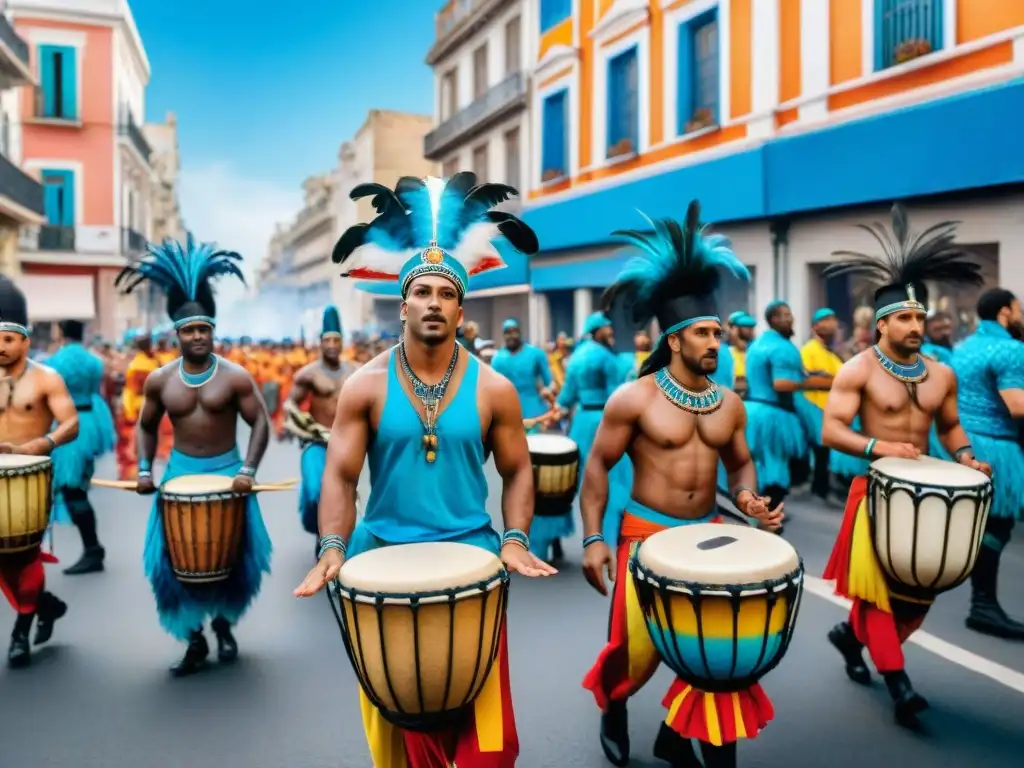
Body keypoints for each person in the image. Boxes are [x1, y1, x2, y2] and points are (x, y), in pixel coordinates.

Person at [297, 172, 555, 768]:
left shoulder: (495, 389)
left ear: (462, 306)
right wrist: (334, 547)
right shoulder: (363, 387)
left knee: (491, 746)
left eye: (445, 292)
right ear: (403, 300)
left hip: (472, 563)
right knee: (407, 740)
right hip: (382, 565)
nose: (433, 301)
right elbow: (339, 475)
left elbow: (518, 471)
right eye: (422, 291)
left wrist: (514, 539)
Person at [580, 203, 782, 768]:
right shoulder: (635, 399)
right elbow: (597, 468)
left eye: (719, 332)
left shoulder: (730, 404)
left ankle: (683, 737)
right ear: (674, 340)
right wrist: (593, 539)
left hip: (709, 539)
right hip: (645, 535)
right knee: (633, 652)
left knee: (716, 655)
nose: (716, 342)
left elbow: (740, 464)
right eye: (703, 333)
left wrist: (746, 499)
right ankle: (614, 706)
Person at [820, 203, 990, 726]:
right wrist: (879, 449)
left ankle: (849, 637)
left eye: (921, 316)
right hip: (873, 494)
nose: (918, 325)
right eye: (906, 318)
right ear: (882, 323)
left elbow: (950, 428)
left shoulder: (941, 373)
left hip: (922, 497)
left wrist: (965, 456)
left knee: (917, 599)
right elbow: (831, 431)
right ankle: (900, 686)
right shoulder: (858, 369)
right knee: (877, 598)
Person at [116, 235, 272, 676]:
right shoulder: (160, 381)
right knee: (171, 564)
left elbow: (259, 421)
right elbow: (146, 425)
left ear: (212, 331)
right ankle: (194, 638)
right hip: (179, 475)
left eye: (204, 328)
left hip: (229, 474)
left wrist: (247, 470)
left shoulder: (236, 377)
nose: (198, 335)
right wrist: (145, 469)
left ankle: (223, 626)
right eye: (190, 330)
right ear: (177, 334)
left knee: (233, 558)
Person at [0, 277, 79, 668]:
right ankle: (47, 605)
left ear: (26, 340)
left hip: (28, 478)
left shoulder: (47, 379)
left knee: (23, 553)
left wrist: (37, 445)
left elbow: (70, 424)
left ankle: (21, 631)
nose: (1, 347)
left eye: (9, 338)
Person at [951, 288, 1024, 639]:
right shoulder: (1012, 349)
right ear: (1006, 313)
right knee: (997, 525)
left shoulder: (962, 348)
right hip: (995, 449)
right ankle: (983, 606)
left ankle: (983, 603)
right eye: (1019, 309)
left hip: (959, 445)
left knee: (970, 526)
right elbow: (1018, 407)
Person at [548, 311, 630, 559]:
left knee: (579, 481)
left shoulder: (576, 358)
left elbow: (566, 397)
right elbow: (618, 396)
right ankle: (612, 536)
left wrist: (556, 413)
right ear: (596, 331)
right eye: (607, 328)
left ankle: (569, 536)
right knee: (614, 478)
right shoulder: (606, 357)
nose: (611, 332)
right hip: (604, 421)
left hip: (581, 422)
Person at [46, 319, 116, 575]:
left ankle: (93, 549)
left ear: (62, 333)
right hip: (90, 421)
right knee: (77, 484)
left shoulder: (54, 362)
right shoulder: (94, 360)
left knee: (71, 488)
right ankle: (92, 549)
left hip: (67, 424)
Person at [285, 305, 354, 543]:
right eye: (328, 340)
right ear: (321, 343)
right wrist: (302, 424)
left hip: (348, 444)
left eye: (337, 340)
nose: (333, 345)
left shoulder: (356, 372)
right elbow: (290, 405)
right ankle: (320, 533)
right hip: (317, 443)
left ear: (342, 342)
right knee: (316, 492)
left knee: (354, 494)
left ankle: (340, 537)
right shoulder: (308, 374)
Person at [742, 300, 812, 508]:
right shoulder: (782, 347)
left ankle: (758, 517)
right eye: (786, 314)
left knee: (759, 469)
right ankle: (769, 519)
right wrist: (826, 383)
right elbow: (782, 384)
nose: (791, 319)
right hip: (773, 416)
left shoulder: (757, 344)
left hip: (752, 411)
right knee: (776, 473)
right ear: (774, 319)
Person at [799, 308, 844, 501]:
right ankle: (819, 490)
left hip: (831, 410)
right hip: (813, 408)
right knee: (820, 451)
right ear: (815, 326)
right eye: (825, 320)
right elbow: (807, 380)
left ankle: (824, 488)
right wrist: (833, 381)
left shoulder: (833, 355)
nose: (830, 324)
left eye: (833, 319)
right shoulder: (809, 350)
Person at [491, 317, 555, 424]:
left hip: (534, 412)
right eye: (507, 332)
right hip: (507, 414)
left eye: (514, 331)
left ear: (520, 332)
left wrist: (548, 392)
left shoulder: (536, 354)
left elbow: (550, 382)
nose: (511, 336)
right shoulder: (497, 359)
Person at [118, 330, 158, 481]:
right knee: (144, 440)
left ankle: (142, 472)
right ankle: (143, 472)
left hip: (141, 406)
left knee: (142, 440)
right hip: (143, 406)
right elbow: (131, 390)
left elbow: (129, 391)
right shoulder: (143, 364)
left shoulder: (140, 363)